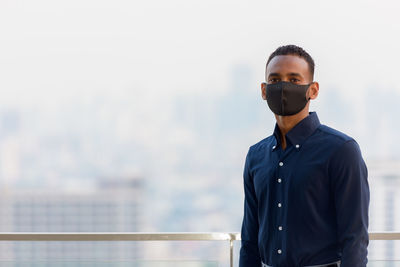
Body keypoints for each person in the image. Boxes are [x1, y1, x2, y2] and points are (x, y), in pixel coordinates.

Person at [239, 45, 370, 267]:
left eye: (294, 80)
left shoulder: (341, 150)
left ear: (313, 90)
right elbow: (250, 239)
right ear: (263, 90)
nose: (283, 87)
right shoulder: (256, 156)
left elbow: (354, 239)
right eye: (274, 80)